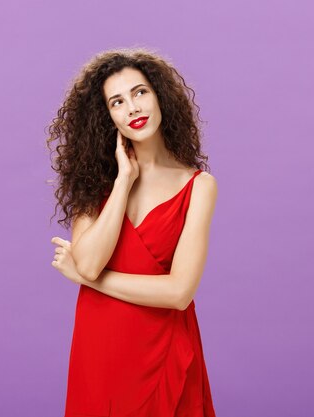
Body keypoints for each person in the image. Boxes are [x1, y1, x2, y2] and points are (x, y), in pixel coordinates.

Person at [46, 47, 218, 417]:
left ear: (160, 96)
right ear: (107, 116)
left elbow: (178, 293)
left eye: (140, 92)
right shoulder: (96, 184)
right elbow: (89, 263)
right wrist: (124, 180)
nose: (133, 108)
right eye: (117, 102)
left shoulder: (199, 186)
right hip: (101, 347)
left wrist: (88, 281)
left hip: (163, 348)